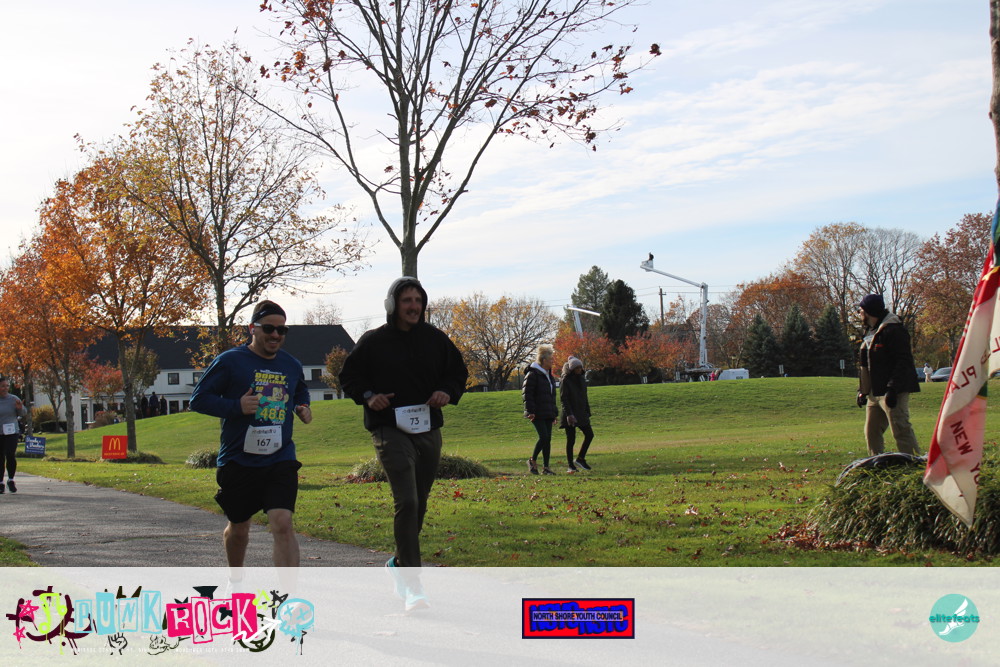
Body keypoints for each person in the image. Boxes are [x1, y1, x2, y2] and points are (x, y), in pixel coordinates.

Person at [339, 277, 468, 612]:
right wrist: (369, 396)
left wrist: (446, 391)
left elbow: (458, 373)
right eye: (407, 300)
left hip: (427, 427)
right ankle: (413, 585)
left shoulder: (436, 339)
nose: (413, 306)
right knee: (407, 500)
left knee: (419, 502)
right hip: (389, 428)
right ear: (392, 304)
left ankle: (399, 562)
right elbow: (349, 377)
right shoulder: (373, 341)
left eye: (418, 300)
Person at [190, 300, 312, 571]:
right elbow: (198, 400)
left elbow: (300, 390)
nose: (276, 335)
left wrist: (303, 406)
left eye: (282, 330)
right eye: (269, 328)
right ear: (252, 328)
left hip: (280, 457)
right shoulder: (230, 361)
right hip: (239, 459)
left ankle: (288, 595)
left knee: (282, 522)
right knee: (239, 526)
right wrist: (237, 406)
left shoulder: (291, 364)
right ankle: (235, 581)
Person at [856, 294, 921, 457]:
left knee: (900, 428)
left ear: (869, 311)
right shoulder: (870, 331)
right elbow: (866, 365)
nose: (859, 313)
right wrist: (862, 391)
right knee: (871, 432)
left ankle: (915, 464)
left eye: (861, 310)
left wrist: (893, 388)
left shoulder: (894, 330)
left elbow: (903, 361)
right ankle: (876, 463)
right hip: (875, 392)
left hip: (893, 390)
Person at [523, 344, 558, 475]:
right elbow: (527, 394)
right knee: (543, 437)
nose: (552, 361)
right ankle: (532, 460)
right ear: (543, 360)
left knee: (548, 439)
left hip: (547, 411)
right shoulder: (533, 374)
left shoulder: (549, 375)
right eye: (550, 359)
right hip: (537, 412)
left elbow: (551, 396)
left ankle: (546, 467)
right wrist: (530, 411)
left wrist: (554, 413)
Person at [559, 356, 594, 473]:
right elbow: (564, 399)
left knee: (589, 435)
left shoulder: (582, 379)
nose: (579, 370)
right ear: (572, 369)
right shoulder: (565, 380)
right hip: (570, 413)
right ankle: (570, 465)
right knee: (571, 439)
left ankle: (580, 458)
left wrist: (587, 411)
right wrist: (569, 414)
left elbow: (584, 396)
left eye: (580, 367)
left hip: (581, 412)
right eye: (577, 368)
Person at [0, 379, 26, 494]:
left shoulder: (13, 399)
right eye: (2, 386)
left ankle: (11, 480)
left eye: (7, 386)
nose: (5, 388)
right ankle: (0, 483)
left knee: (10, 455)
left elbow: (23, 413)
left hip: (12, 432)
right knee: (0, 457)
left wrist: (20, 408)